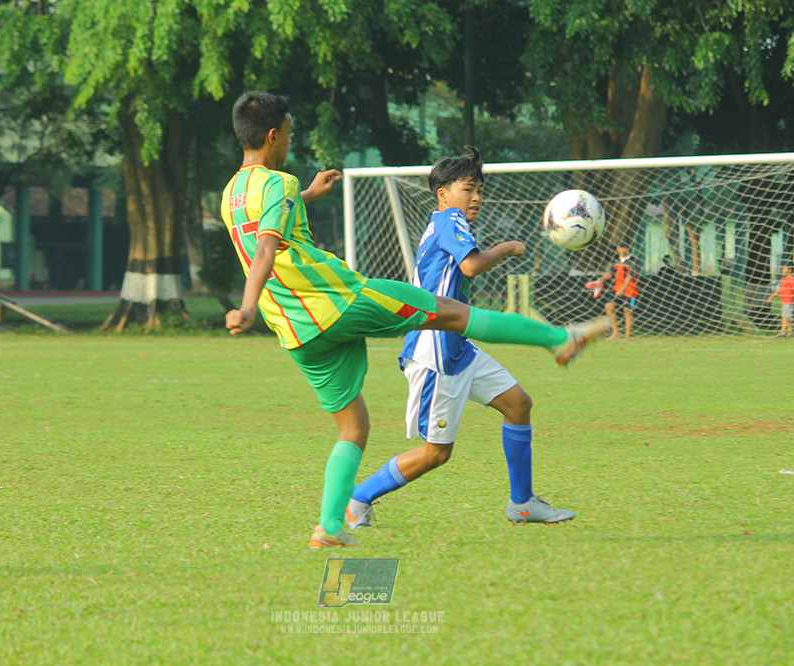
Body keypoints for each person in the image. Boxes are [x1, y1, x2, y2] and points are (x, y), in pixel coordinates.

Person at [221, 91, 609, 549]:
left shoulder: (231, 194)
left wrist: (306, 197)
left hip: (295, 329)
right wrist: (246, 305)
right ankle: (557, 339)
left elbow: (266, 228)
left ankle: (329, 527)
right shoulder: (279, 182)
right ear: (272, 135)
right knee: (452, 314)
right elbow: (267, 246)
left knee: (354, 428)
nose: (291, 140)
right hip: (337, 300)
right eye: (289, 132)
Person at [345, 147, 576, 532]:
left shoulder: (444, 223)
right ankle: (357, 498)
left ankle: (522, 503)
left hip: (458, 348)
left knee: (518, 404)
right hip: (435, 353)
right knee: (436, 454)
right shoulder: (449, 219)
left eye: (480, 190)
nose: (477, 197)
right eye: (468, 189)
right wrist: (507, 248)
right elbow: (471, 265)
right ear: (443, 194)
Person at [596, 241, 639, 340]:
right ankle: (616, 332)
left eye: (624, 247)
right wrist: (601, 279)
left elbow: (630, 276)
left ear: (628, 248)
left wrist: (623, 289)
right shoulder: (616, 260)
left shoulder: (632, 261)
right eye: (619, 248)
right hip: (617, 288)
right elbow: (611, 274)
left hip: (629, 290)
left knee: (627, 311)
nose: (622, 250)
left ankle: (627, 336)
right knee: (609, 307)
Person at [766, 264, 794, 337]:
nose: (783, 270)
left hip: (790, 300)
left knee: (784, 316)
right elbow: (781, 289)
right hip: (784, 300)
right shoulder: (784, 279)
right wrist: (772, 296)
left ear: (790, 270)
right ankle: (789, 332)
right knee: (788, 317)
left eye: (784, 269)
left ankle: (782, 331)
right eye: (782, 269)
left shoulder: (793, 279)